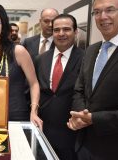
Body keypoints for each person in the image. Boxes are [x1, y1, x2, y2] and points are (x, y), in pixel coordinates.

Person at [67, 0, 118, 159]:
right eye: (97, 12)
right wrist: (81, 116)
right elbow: (79, 90)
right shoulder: (91, 50)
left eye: (110, 10)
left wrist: (95, 119)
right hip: (84, 146)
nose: (102, 16)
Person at [0, 3, 42, 127]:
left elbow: (34, 84)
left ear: (3, 26)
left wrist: (34, 111)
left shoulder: (18, 51)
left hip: (17, 119)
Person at [35, 14, 84, 160]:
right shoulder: (40, 59)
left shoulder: (85, 58)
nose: (61, 34)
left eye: (66, 29)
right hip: (43, 133)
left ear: (76, 32)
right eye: (57, 30)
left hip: (71, 136)